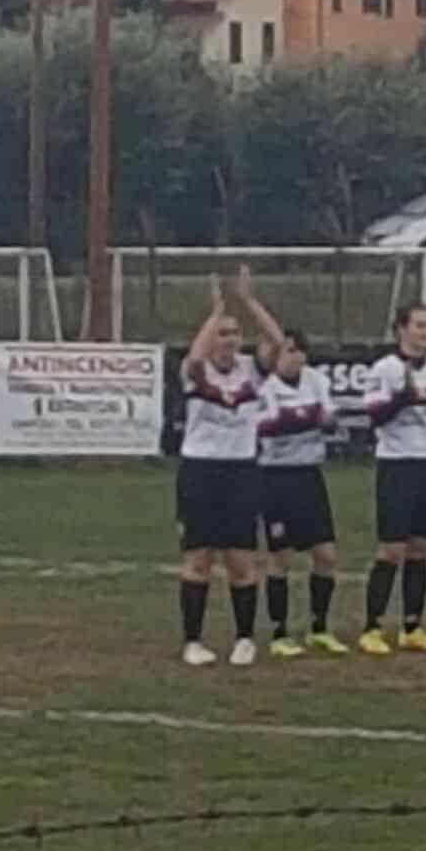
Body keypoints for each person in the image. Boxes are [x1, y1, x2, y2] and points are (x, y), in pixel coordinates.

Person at [175, 268, 283, 667]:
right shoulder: (196, 373)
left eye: (234, 333)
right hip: (200, 471)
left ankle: (243, 638)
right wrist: (215, 312)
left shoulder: (251, 371)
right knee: (198, 558)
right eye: (222, 333)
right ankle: (193, 641)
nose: (229, 340)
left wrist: (249, 302)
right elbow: (193, 360)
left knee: (241, 560)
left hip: (241, 471)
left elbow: (277, 342)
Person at [361, 304, 426, 656]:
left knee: (421, 548)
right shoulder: (385, 369)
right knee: (392, 549)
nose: (425, 332)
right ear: (401, 329)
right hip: (398, 465)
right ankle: (372, 626)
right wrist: (404, 396)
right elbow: (374, 416)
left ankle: (412, 625)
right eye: (419, 326)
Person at [257, 327, 347, 657]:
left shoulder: (316, 380)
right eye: (287, 351)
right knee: (281, 557)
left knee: (326, 555)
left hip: (310, 474)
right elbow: (269, 426)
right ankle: (280, 633)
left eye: (298, 351)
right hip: (276, 477)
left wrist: (300, 418)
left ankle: (319, 628)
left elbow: (329, 420)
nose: (294, 358)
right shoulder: (265, 387)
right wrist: (306, 418)